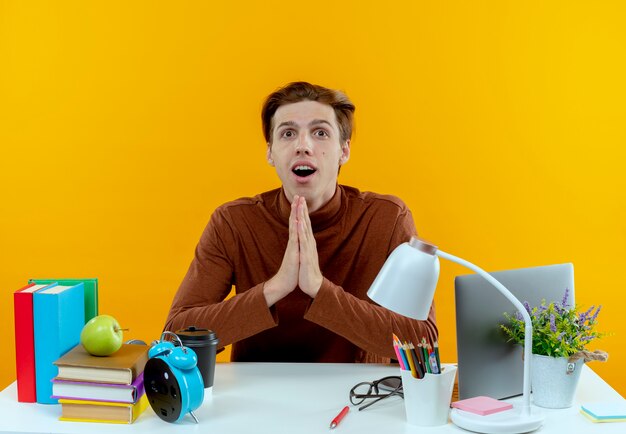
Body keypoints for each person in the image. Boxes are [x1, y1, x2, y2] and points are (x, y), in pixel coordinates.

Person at [164, 82, 437, 363]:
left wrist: (319, 289)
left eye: (320, 133)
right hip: (256, 397)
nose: (303, 146)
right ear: (271, 152)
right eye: (288, 133)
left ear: (344, 150)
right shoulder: (233, 222)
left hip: (361, 397)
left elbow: (423, 344)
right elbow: (175, 336)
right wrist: (276, 287)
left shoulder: (387, 218)